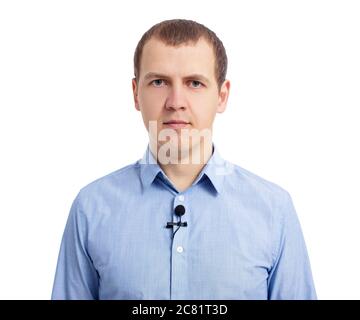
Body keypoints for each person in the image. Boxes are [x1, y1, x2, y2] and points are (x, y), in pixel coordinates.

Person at [51, 19, 317, 300]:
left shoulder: (274, 211)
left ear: (222, 96)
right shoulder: (91, 208)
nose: (176, 101)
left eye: (194, 83)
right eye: (158, 82)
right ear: (135, 94)